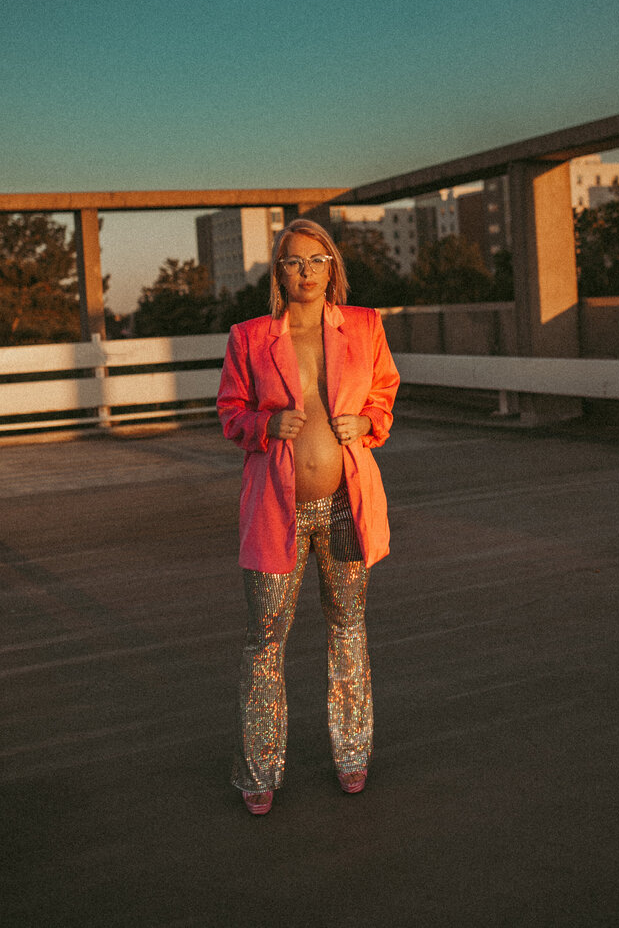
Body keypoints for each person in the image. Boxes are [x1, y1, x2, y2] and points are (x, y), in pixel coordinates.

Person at [217, 218, 400, 816]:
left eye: (316, 261)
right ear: (279, 271)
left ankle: (353, 756)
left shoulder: (366, 327)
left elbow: (383, 393)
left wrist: (368, 423)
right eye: (294, 262)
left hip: (346, 508)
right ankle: (258, 769)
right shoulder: (249, 338)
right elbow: (229, 412)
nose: (306, 272)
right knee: (264, 640)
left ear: (332, 267)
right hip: (278, 511)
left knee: (348, 630)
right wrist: (265, 426)